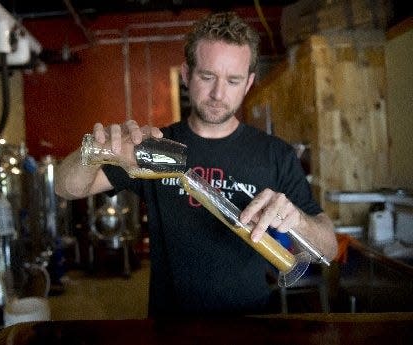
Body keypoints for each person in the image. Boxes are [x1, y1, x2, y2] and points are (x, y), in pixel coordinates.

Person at [55, 11, 338, 317]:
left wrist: (296, 219)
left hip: (250, 325)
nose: (218, 93)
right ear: (187, 74)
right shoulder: (154, 148)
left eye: (233, 80)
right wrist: (95, 151)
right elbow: (64, 187)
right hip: (170, 328)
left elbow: (329, 249)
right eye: (207, 76)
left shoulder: (276, 155)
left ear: (249, 83)